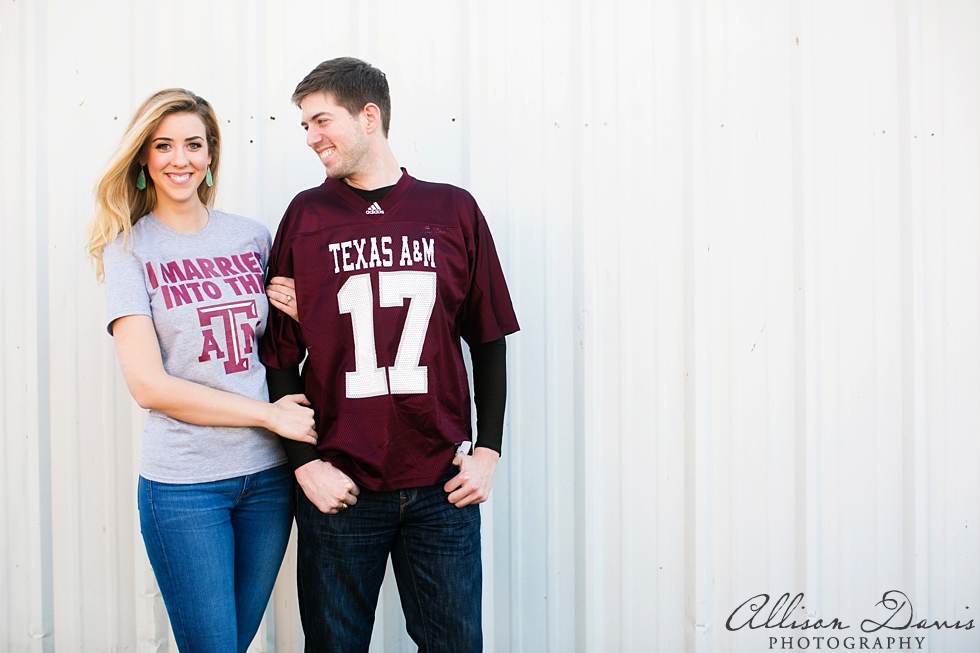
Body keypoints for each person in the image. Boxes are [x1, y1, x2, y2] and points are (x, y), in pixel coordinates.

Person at [260, 57, 520, 653]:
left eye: (320, 120)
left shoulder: (451, 209)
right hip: (340, 482)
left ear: (368, 115)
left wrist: (488, 451)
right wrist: (305, 463)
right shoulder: (306, 216)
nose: (310, 137)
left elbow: (488, 337)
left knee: (454, 644)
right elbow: (280, 358)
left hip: (440, 483)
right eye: (304, 125)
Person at [86, 88, 317, 653]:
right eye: (163, 146)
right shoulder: (129, 251)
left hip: (267, 479)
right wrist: (268, 414)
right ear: (144, 157)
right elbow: (149, 386)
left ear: (211, 154)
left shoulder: (251, 237)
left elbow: (277, 350)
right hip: (185, 488)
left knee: (232, 643)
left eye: (193, 144)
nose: (179, 159)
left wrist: (304, 312)